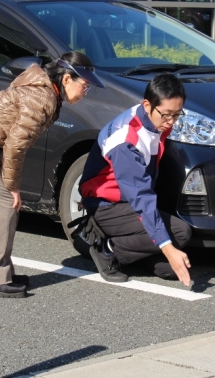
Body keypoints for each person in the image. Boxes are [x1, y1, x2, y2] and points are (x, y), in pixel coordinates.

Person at [0, 51, 105, 298]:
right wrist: (13, 186)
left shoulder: (43, 91)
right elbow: (16, 145)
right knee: (5, 205)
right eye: (84, 85)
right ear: (67, 79)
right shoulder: (42, 98)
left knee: (5, 208)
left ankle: (1, 273)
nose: (86, 91)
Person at [78, 73, 193, 286]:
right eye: (166, 115)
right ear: (147, 104)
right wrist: (166, 246)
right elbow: (141, 198)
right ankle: (104, 247)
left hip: (126, 197)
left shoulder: (149, 117)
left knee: (168, 270)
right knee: (180, 233)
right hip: (108, 204)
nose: (171, 122)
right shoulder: (126, 142)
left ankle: (138, 251)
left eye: (177, 115)